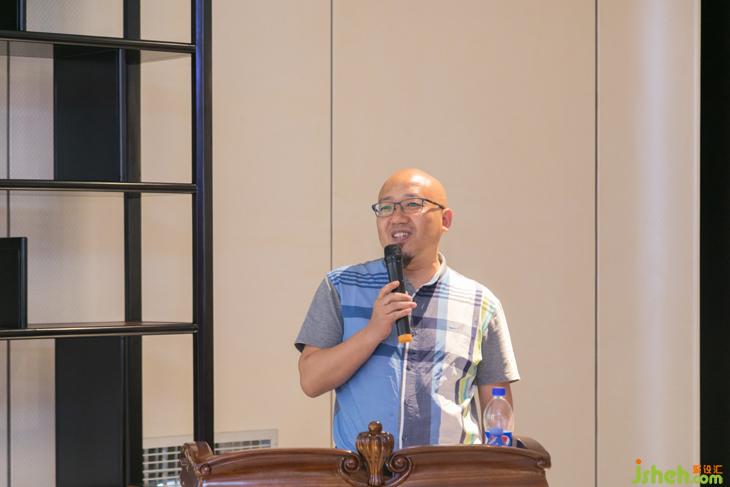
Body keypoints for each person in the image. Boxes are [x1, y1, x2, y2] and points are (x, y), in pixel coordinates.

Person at [294, 168, 519, 451]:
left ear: (445, 219)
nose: (397, 217)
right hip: (363, 471)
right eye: (386, 207)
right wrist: (373, 332)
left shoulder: (480, 302)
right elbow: (311, 381)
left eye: (412, 204)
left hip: (450, 471)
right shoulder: (341, 286)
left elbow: (497, 408)